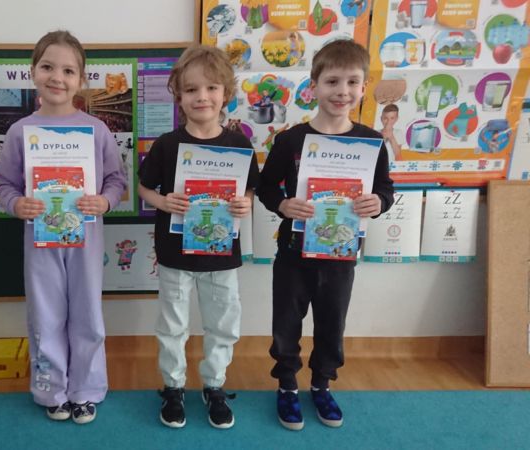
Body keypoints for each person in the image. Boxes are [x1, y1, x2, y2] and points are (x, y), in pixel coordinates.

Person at [258, 39, 394, 431]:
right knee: (287, 321)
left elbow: (385, 189)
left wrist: (378, 202)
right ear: (314, 86)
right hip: (293, 252)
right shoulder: (290, 140)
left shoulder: (371, 142)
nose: (342, 91)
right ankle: (287, 384)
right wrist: (283, 205)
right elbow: (266, 188)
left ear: (364, 88)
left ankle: (321, 383)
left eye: (352, 82)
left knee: (332, 323)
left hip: (340, 254)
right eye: (332, 81)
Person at [0, 30, 127, 425]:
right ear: (33, 71)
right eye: (48, 67)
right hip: (40, 239)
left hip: (86, 239)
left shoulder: (96, 130)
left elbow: (116, 180)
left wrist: (105, 201)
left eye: (68, 71)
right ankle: (51, 389)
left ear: (81, 79)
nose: (57, 77)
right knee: (45, 315)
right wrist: (17, 204)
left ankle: (85, 389)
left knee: (88, 315)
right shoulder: (20, 131)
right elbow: (4, 184)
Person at [137, 44, 258, 430]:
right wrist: (163, 201)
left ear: (226, 93)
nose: (201, 97)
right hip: (175, 254)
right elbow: (143, 188)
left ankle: (214, 385)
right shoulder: (168, 144)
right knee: (172, 325)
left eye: (211, 88)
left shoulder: (239, 144)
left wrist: (245, 203)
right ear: (179, 96)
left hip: (221, 254)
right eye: (191, 89)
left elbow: (249, 189)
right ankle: (173, 386)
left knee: (223, 323)